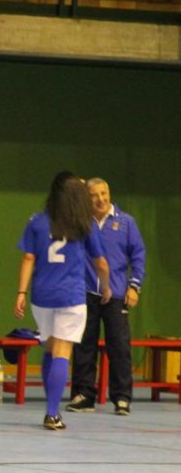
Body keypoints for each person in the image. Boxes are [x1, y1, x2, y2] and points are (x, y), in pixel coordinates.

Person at [15, 171, 111, 431]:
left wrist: (21, 292)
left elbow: (28, 258)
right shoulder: (84, 223)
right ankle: (52, 412)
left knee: (50, 348)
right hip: (71, 296)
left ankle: (52, 407)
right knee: (62, 351)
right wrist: (105, 286)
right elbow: (101, 262)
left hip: (41, 296)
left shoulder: (37, 221)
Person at [67, 177, 146, 416]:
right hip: (85, 294)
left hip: (116, 295)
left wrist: (134, 286)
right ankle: (84, 396)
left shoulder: (126, 222)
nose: (100, 199)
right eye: (93, 195)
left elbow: (138, 255)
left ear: (109, 193)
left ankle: (122, 398)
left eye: (104, 193)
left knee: (119, 347)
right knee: (83, 347)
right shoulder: (80, 223)